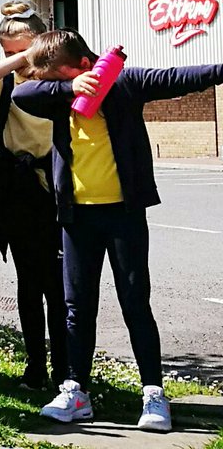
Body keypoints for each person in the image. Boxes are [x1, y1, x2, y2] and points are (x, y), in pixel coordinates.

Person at [13, 30, 223, 433]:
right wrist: (68, 86)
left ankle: (153, 395)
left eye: (56, 75)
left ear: (79, 63)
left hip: (123, 216)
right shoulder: (59, 96)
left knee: (134, 303)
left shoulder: (125, 84)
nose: (49, 83)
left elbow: (180, 77)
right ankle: (76, 392)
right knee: (77, 308)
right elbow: (23, 95)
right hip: (77, 218)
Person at [0, 1, 67, 390]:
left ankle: (66, 368)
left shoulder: (61, 80)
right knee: (28, 284)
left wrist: (39, 57)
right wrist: (17, 63)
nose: (18, 60)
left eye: (25, 51)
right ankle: (35, 366)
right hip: (18, 190)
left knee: (59, 288)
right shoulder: (9, 81)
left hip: (59, 190)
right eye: (9, 53)